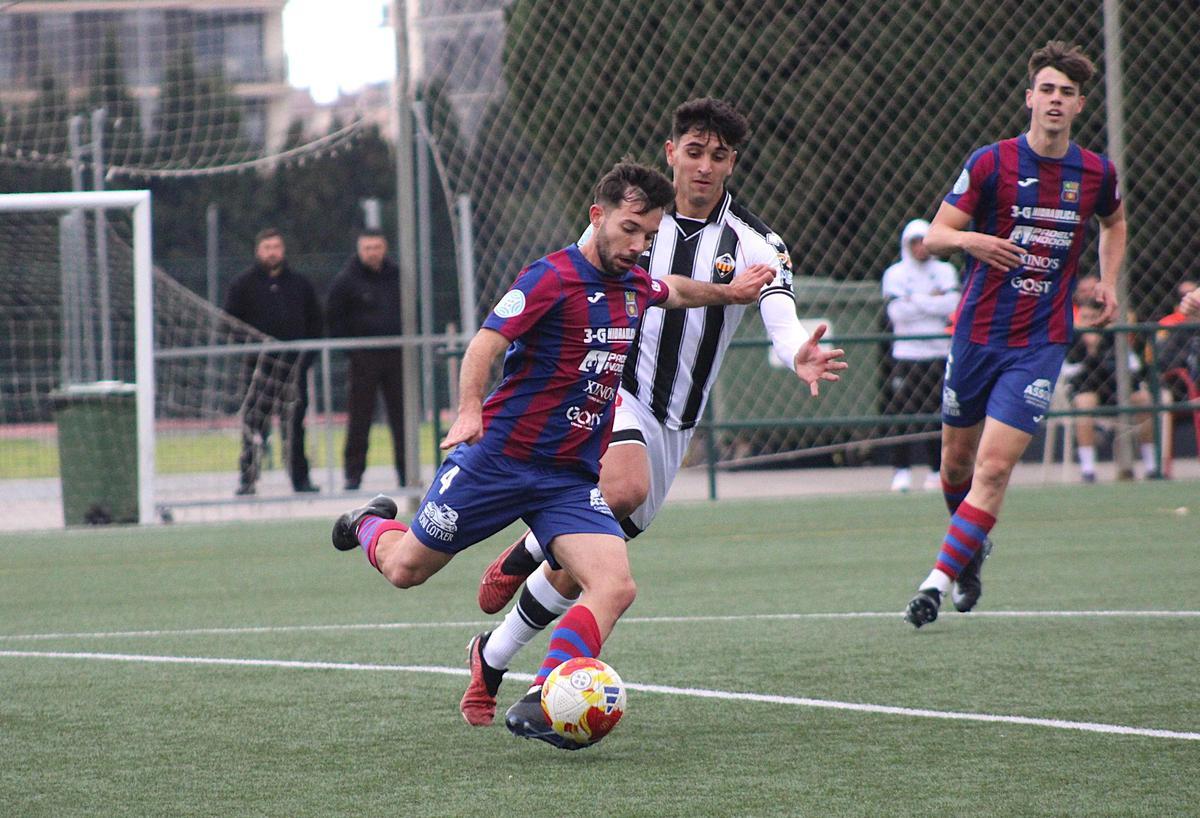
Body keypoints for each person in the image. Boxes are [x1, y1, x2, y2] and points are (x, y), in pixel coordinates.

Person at [329, 161, 778, 748]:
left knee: (615, 586)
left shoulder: (636, 282)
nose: (640, 246)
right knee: (405, 569)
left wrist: (732, 292)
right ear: (598, 217)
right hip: (496, 463)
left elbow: (676, 291)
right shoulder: (549, 278)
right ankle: (366, 523)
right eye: (630, 230)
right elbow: (485, 343)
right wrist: (469, 410)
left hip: (567, 480)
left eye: (649, 234)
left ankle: (547, 698)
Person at [459, 98, 848, 728]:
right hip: (613, 391)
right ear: (671, 152)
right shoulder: (638, 222)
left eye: (718, 156)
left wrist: (797, 348)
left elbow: (779, 308)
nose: (704, 166)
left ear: (732, 164)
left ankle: (493, 656)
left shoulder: (756, 241)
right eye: (693, 152)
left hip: (677, 421)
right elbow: (571, 274)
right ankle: (535, 605)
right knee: (622, 487)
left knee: (581, 565)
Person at [904, 41, 1126, 627]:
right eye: (1047, 90)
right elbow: (935, 235)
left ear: (1080, 105)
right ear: (1030, 98)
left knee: (994, 469)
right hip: (976, 335)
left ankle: (936, 580)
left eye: (1067, 93)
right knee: (955, 464)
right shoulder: (990, 163)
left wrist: (1107, 279)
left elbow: (1115, 221)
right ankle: (971, 551)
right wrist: (974, 240)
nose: (1055, 101)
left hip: (1040, 341)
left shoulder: (1096, 172)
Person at [224, 228, 323, 495]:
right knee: (254, 425)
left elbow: (316, 323)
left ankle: (300, 480)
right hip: (258, 370)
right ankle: (248, 479)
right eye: (267, 247)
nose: (272, 252)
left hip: (294, 369)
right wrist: (248, 354)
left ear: (283, 250)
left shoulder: (300, 284)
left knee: (295, 426)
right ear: (259, 250)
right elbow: (229, 324)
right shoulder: (242, 285)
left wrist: (305, 360)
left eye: (277, 246)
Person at [881, 218, 959, 492]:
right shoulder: (895, 274)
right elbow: (896, 312)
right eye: (915, 243)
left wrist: (915, 299)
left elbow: (952, 304)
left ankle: (937, 471)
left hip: (938, 354)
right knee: (903, 413)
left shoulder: (946, 271)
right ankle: (901, 470)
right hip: (906, 355)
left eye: (924, 242)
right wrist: (931, 300)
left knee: (939, 413)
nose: (920, 248)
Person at [325, 229, 406, 491]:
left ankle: (407, 471)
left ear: (385, 248)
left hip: (396, 355)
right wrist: (352, 350)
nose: (373, 252)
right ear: (360, 250)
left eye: (377, 247)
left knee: (402, 417)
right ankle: (353, 474)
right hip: (363, 358)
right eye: (368, 247)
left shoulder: (397, 276)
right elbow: (333, 316)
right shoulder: (346, 280)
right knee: (359, 417)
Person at [1066, 301, 1156, 482]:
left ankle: (1152, 465)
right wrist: (1091, 352)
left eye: (1094, 318)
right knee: (1085, 402)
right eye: (1085, 318)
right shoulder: (1071, 337)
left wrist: (1103, 350)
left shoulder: (1112, 336)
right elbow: (1068, 371)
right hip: (1086, 387)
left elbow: (1134, 366)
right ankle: (1088, 469)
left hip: (1116, 388)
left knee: (1144, 399)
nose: (1089, 323)